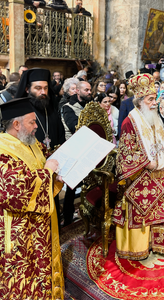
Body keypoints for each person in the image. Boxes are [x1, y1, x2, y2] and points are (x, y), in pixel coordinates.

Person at [0, 97, 64, 299]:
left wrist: (58, 168)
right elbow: (13, 191)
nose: (37, 127)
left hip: (39, 223)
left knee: (40, 269)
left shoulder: (30, 142)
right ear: (16, 125)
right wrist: (47, 173)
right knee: (23, 277)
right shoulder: (3, 150)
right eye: (32, 122)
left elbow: (44, 160)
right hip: (18, 229)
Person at [112, 73, 164, 260]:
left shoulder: (154, 116)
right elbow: (125, 152)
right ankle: (137, 247)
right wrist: (145, 162)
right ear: (140, 101)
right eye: (151, 99)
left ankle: (157, 245)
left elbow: (156, 141)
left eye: (155, 98)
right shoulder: (130, 121)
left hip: (158, 172)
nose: (154, 103)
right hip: (139, 176)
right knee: (142, 208)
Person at [61, 81, 92, 226]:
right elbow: (75, 127)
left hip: (88, 149)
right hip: (74, 151)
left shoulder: (90, 106)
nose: (89, 92)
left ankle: (89, 213)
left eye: (90, 90)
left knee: (90, 183)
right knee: (72, 187)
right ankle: (67, 218)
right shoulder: (68, 108)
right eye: (86, 90)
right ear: (78, 91)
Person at [15, 68, 65, 150]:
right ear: (27, 89)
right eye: (38, 88)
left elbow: (61, 136)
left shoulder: (51, 109)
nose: (43, 92)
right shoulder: (20, 112)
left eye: (45, 88)